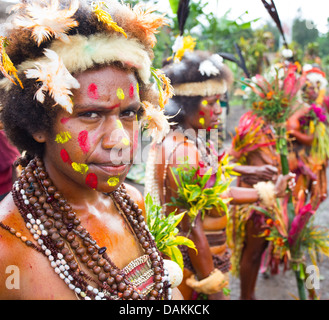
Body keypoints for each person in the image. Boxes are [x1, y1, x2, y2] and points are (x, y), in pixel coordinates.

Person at [0, 0, 182, 300]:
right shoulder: (9, 245)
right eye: (91, 115)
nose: (120, 140)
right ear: (37, 125)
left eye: (129, 114)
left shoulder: (134, 204)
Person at [144, 50, 295, 300]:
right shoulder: (182, 151)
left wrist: (269, 191)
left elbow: (212, 195)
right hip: (193, 268)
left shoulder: (188, 140)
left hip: (199, 260)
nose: (218, 111)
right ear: (187, 103)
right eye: (211, 103)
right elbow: (190, 228)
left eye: (220, 103)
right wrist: (211, 286)